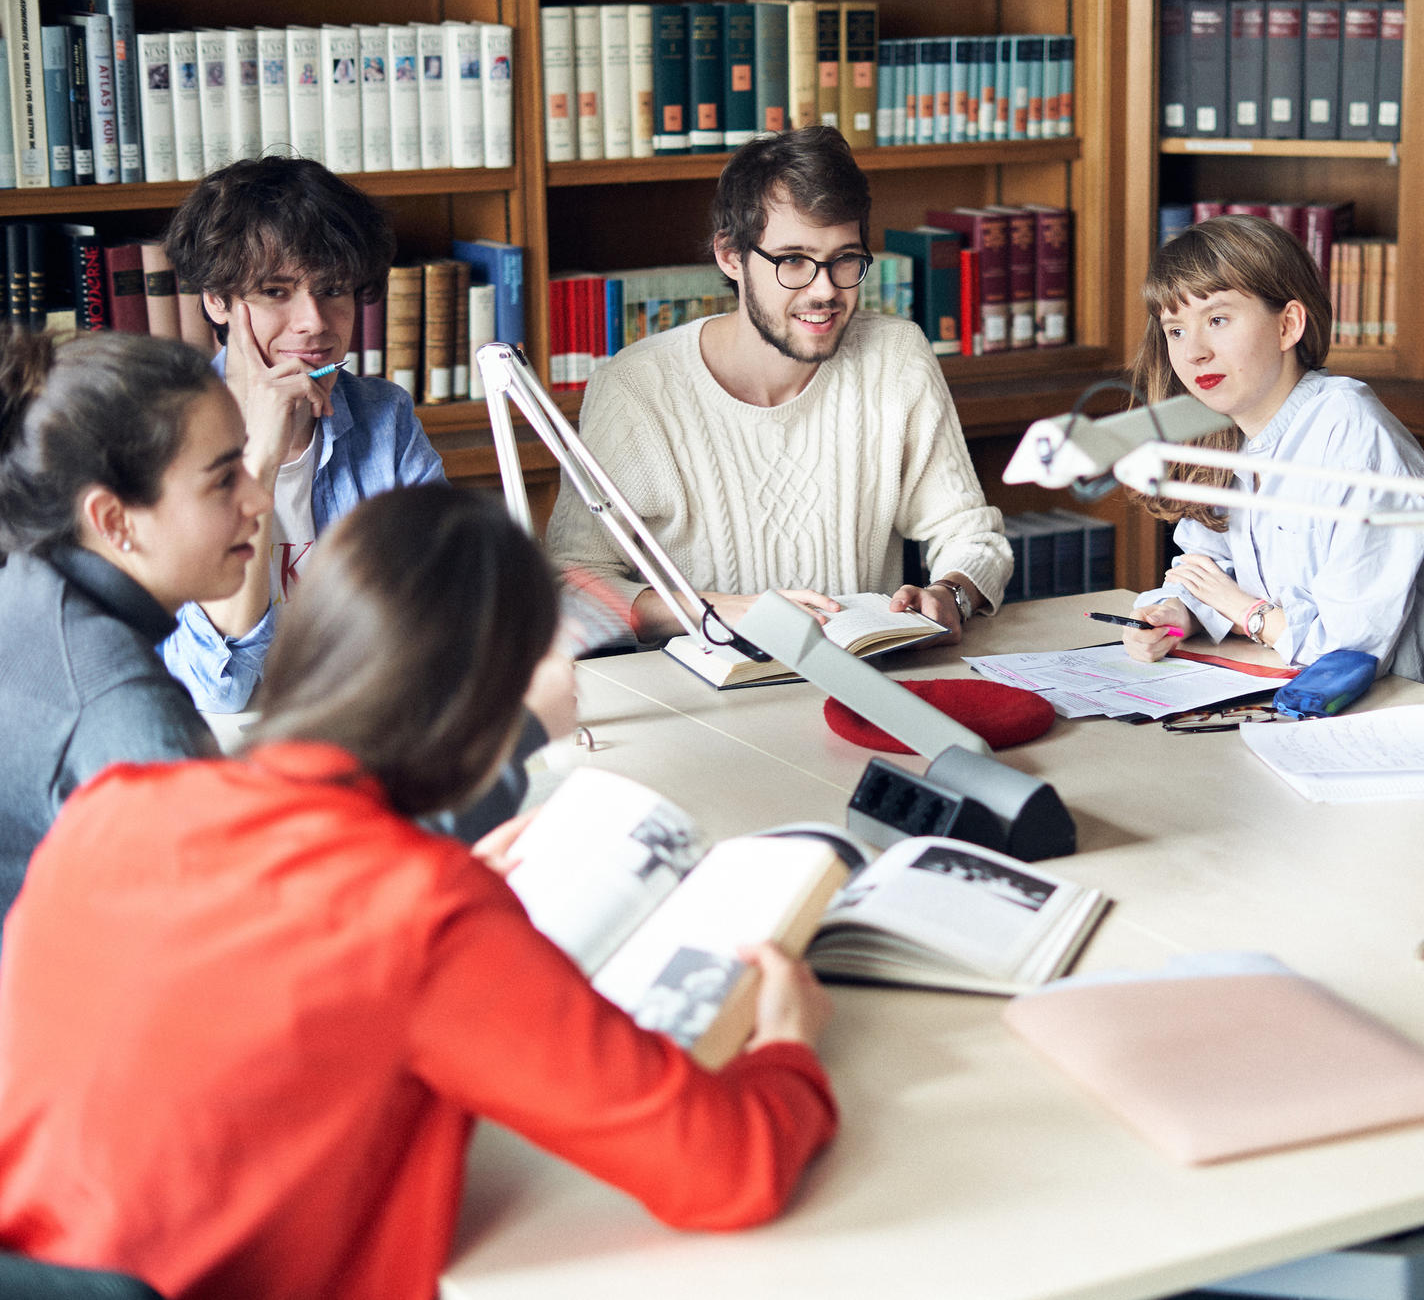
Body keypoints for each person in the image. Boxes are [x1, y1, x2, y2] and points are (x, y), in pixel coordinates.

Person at [0, 487, 838, 1298]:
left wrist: (447, 890)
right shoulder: (419, 909)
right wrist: (788, 1051)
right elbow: (726, 1170)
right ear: (487, 713)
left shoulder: (114, 804)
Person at [547, 125, 1011, 646]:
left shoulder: (895, 357)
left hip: (861, 685)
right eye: (793, 260)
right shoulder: (635, 388)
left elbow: (973, 536)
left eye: (845, 259)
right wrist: (713, 612)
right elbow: (571, 585)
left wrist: (952, 591)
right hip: (697, 699)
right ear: (730, 257)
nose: (825, 289)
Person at [1119, 214, 1424, 697]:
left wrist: (1244, 610)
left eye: (1218, 319)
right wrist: (1173, 616)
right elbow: (1205, 567)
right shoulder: (1230, 431)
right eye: (1176, 330)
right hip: (1301, 697)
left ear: (1288, 324)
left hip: (1413, 715)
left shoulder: (1352, 432)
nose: (1194, 353)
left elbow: (1346, 653)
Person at [0, 329, 269, 925]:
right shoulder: (123, 707)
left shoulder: (25, 580)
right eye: (224, 479)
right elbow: (236, 941)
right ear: (114, 520)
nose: (259, 499)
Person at [159, 155, 444, 714]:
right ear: (217, 300)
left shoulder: (385, 420)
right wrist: (259, 461)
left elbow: (441, 631)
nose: (314, 321)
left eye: (334, 290)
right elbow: (216, 691)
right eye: (275, 291)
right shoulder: (157, 440)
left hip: (370, 736)